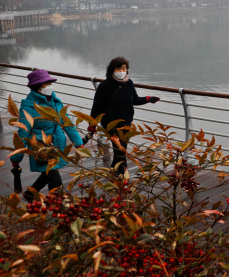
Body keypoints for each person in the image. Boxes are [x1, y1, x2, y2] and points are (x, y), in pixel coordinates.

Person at [9, 69, 84, 202]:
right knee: (55, 181)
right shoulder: (29, 106)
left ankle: (30, 195)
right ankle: (57, 209)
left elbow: (67, 123)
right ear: (38, 87)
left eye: (50, 83)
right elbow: (23, 132)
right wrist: (16, 157)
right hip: (42, 150)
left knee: (47, 174)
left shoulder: (55, 102)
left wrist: (78, 143)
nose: (50, 86)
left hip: (56, 147)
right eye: (46, 84)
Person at [89, 57, 159, 176]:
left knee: (121, 150)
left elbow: (134, 100)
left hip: (126, 123)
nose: (121, 71)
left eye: (124, 69)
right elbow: (96, 106)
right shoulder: (104, 86)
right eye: (118, 69)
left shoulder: (129, 83)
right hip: (111, 124)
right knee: (121, 151)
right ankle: (123, 176)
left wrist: (148, 99)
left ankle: (114, 171)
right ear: (112, 70)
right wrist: (92, 124)